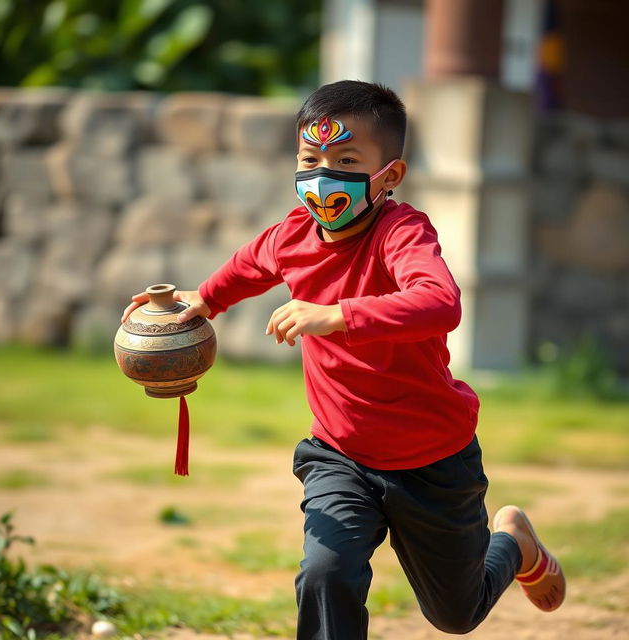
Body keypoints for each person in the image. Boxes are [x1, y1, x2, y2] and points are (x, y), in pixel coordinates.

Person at [122, 80, 566, 639]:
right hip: (341, 456)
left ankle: (513, 542)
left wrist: (337, 314)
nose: (321, 175)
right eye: (310, 159)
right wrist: (204, 298)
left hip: (434, 459)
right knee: (325, 572)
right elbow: (247, 265)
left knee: (456, 614)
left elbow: (440, 301)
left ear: (390, 176)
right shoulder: (292, 235)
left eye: (346, 159)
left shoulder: (401, 232)